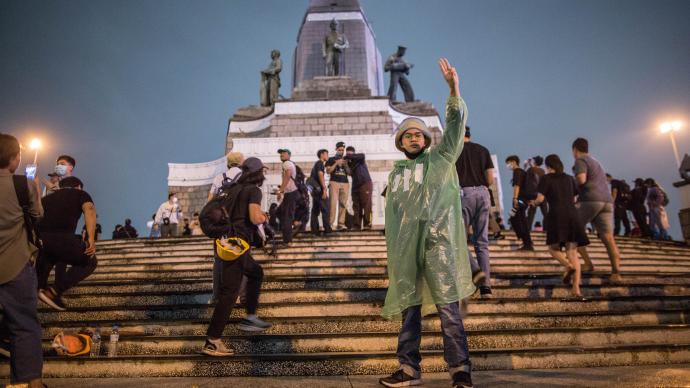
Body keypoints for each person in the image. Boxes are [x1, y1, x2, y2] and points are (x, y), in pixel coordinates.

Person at [379, 58, 474, 388]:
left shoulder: (441, 159)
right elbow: (394, 219)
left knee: (448, 310)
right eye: (408, 135)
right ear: (401, 143)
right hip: (408, 251)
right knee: (410, 311)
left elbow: (454, 128)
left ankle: (460, 369)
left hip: (438, 247)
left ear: (426, 141)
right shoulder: (398, 173)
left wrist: (454, 90)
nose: (415, 138)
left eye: (419, 134)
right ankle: (408, 369)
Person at [202, 157, 272, 356]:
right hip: (238, 245)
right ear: (258, 173)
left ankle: (250, 316)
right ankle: (212, 340)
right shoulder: (253, 191)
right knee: (230, 293)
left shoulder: (231, 190)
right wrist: (265, 216)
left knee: (256, 272)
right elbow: (254, 217)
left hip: (227, 242)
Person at [0, 133, 45, 388]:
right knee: (25, 326)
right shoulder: (21, 184)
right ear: (14, 159)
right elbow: (38, 215)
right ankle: (30, 382)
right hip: (16, 264)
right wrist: (35, 189)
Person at [36, 176, 98, 311]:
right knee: (90, 261)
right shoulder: (80, 193)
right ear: (78, 187)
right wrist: (91, 240)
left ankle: (37, 291)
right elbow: (90, 209)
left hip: (42, 242)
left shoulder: (45, 199)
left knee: (38, 282)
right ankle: (54, 291)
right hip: (63, 239)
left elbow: (36, 215)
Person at [532, 154, 589, 299]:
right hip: (572, 215)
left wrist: (533, 203)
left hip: (556, 215)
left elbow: (541, 199)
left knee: (553, 249)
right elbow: (575, 198)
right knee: (573, 253)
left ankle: (567, 265)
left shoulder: (546, 179)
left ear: (548, 166)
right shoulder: (570, 178)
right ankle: (576, 289)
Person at [571, 138, 621, 283]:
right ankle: (616, 272)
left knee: (572, 230)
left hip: (590, 200)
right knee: (608, 238)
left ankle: (587, 263)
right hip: (607, 202)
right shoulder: (596, 162)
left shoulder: (580, 160)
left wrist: (571, 184)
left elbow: (581, 179)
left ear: (575, 149)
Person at [455, 125, 494, 298]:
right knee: (482, 242)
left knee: (458, 241)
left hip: (464, 194)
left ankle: (476, 271)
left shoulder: (454, 152)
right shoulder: (483, 150)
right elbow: (490, 179)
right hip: (484, 194)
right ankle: (486, 288)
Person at [505, 155, 535, 251]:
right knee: (515, 218)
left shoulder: (517, 172)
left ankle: (527, 242)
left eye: (508, 163)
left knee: (520, 220)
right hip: (523, 200)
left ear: (513, 162)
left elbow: (517, 186)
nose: (508, 166)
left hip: (520, 200)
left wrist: (515, 198)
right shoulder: (523, 172)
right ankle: (526, 240)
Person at [345, 146, 373, 230]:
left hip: (365, 183)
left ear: (354, 153)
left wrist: (347, 157)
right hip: (355, 185)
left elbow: (362, 155)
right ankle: (356, 225)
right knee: (356, 206)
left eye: (350, 154)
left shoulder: (360, 158)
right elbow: (349, 173)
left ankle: (367, 224)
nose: (349, 155)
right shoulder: (349, 163)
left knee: (367, 205)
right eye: (347, 154)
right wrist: (345, 164)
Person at [326, 141, 351, 231]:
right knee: (333, 203)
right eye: (339, 150)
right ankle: (331, 224)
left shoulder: (346, 160)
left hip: (345, 182)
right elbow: (328, 171)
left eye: (342, 150)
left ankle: (341, 223)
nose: (341, 151)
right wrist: (336, 163)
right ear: (336, 149)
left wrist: (346, 165)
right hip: (334, 182)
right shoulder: (331, 159)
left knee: (343, 204)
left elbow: (349, 173)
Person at [276, 149, 299, 246]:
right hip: (291, 193)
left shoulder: (286, 163)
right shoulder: (290, 163)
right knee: (280, 212)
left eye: (284, 153)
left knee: (286, 216)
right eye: (280, 153)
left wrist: (281, 190)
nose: (281, 155)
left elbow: (288, 175)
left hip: (290, 193)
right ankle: (294, 225)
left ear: (289, 155)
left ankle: (288, 240)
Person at [309, 149, 332, 236]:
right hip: (319, 190)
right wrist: (324, 189)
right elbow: (320, 174)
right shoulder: (320, 163)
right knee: (326, 209)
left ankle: (315, 231)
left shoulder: (316, 164)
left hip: (315, 191)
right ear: (322, 154)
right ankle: (327, 230)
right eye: (327, 154)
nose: (328, 156)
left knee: (315, 211)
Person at [526, 156, 548, 230]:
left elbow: (527, 180)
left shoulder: (530, 170)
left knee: (531, 214)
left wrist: (527, 165)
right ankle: (546, 229)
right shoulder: (543, 171)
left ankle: (528, 229)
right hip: (542, 194)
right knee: (545, 213)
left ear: (534, 162)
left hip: (533, 194)